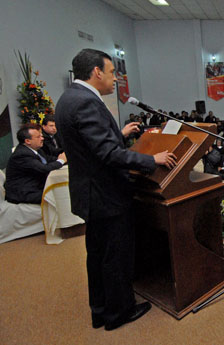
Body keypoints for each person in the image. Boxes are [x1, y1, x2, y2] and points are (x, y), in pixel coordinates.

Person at [55, 49, 177, 331]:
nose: (115, 80)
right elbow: (108, 154)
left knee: (97, 255)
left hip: (90, 192)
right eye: (112, 73)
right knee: (114, 256)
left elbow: (89, 145)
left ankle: (100, 310)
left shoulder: (68, 99)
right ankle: (119, 313)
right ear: (96, 72)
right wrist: (152, 160)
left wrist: (117, 134)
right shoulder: (87, 103)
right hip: (106, 194)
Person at [5, 124, 66, 204]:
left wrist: (66, 159)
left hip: (35, 186)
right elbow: (43, 169)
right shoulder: (21, 155)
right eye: (38, 137)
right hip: (24, 192)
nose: (42, 138)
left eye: (41, 136)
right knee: (60, 197)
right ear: (27, 141)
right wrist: (61, 161)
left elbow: (48, 159)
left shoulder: (36, 149)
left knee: (62, 191)